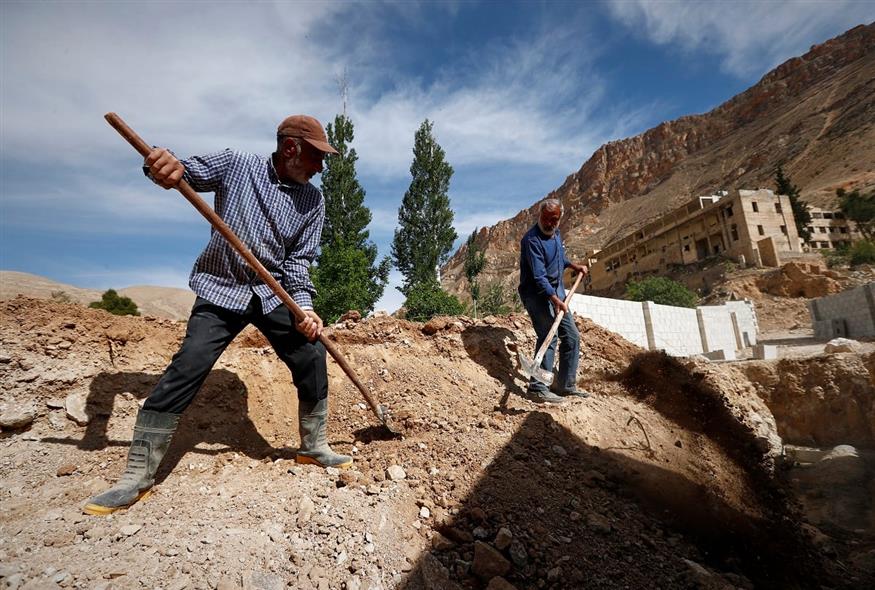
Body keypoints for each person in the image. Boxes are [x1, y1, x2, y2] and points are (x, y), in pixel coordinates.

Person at [84, 115, 352, 516]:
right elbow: (182, 171)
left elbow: (299, 262)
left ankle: (313, 447)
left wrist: (305, 307)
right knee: (188, 365)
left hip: (271, 292)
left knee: (311, 355)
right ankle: (136, 477)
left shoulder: (313, 201)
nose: (320, 167)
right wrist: (160, 166)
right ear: (291, 147)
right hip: (221, 288)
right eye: (316, 156)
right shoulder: (237, 164)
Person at [518, 198, 589, 404]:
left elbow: (559, 259)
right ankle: (537, 388)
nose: (549, 223)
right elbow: (539, 277)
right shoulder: (531, 240)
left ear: (560, 219)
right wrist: (556, 300)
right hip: (537, 295)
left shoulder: (556, 234)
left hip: (557, 293)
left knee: (572, 337)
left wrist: (574, 266)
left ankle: (565, 386)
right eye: (546, 218)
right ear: (539, 216)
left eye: (554, 219)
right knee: (549, 334)